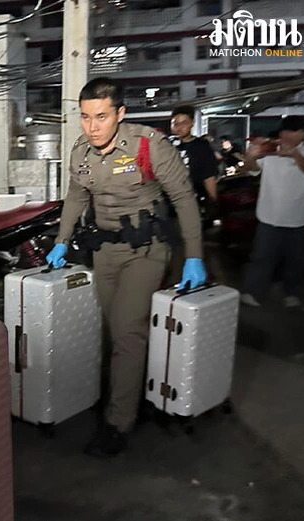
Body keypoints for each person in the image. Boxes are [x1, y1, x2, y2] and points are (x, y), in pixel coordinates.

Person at [45, 77, 206, 457]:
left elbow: (183, 198)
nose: (92, 126)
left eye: (101, 116)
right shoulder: (81, 150)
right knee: (110, 332)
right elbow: (75, 196)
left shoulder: (149, 146)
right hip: (105, 252)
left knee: (127, 331)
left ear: (120, 113)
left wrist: (195, 255)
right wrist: (61, 241)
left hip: (146, 251)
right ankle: (135, 394)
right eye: (85, 117)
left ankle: (118, 422)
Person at [239, 116, 304, 308]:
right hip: (269, 217)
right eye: (285, 131)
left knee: (297, 260)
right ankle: (253, 292)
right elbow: (251, 170)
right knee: (262, 258)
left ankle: (292, 293)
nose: (288, 135)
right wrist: (251, 156)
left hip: (302, 218)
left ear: (303, 134)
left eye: (294, 131)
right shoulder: (270, 150)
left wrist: (294, 155)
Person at [169, 105, 219, 204]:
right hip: (169, 201)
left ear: (192, 123)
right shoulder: (165, 145)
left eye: (184, 123)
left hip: (194, 198)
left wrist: (213, 200)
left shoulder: (201, 146)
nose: (179, 127)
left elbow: (209, 176)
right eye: (175, 124)